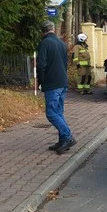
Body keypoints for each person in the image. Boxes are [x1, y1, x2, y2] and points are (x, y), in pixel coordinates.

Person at [37, 21, 77, 154]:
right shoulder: (61, 43)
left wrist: (41, 80)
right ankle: (62, 140)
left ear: (42, 31)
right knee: (58, 112)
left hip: (52, 83)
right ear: (53, 29)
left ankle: (67, 136)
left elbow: (41, 64)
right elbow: (65, 63)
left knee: (51, 113)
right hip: (62, 82)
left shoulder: (44, 43)